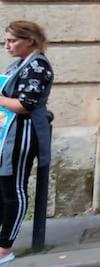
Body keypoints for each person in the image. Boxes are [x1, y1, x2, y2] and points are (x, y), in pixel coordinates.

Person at [0, 22, 53, 264]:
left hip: (24, 133)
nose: (6, 45)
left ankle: (5, 249)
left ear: (29, 40)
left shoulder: (38, 66)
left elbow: (25, 105)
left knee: (15, 189)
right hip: (8, 134)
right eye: (6, 40)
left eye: (12, 40)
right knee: (4, 188)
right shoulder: (18, 65)